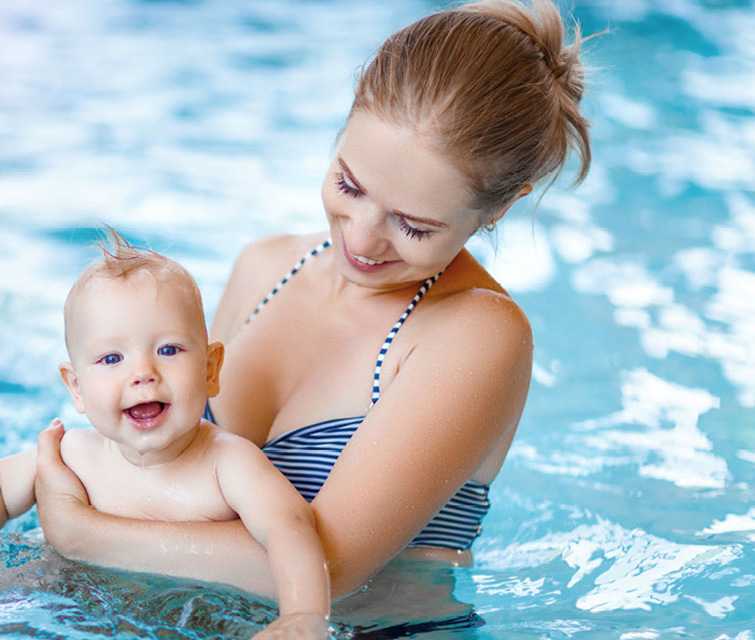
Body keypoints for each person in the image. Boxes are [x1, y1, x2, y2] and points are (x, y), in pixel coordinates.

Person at [32, 0, 593, 603]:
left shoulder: (477, 333)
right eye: (349, 184)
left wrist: (80, 532)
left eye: (414, 225)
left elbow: (330, 569)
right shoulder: (264, 267)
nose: (360, 238)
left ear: (500, 208)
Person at [0, 232, 330, 636]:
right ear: (76, 387)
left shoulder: (230, 464)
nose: (142, 373)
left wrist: (302, 618)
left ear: (210, 370)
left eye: (168, 350)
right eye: (112, 358)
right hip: (61, 604)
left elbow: (289, 530)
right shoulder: (73, 455)